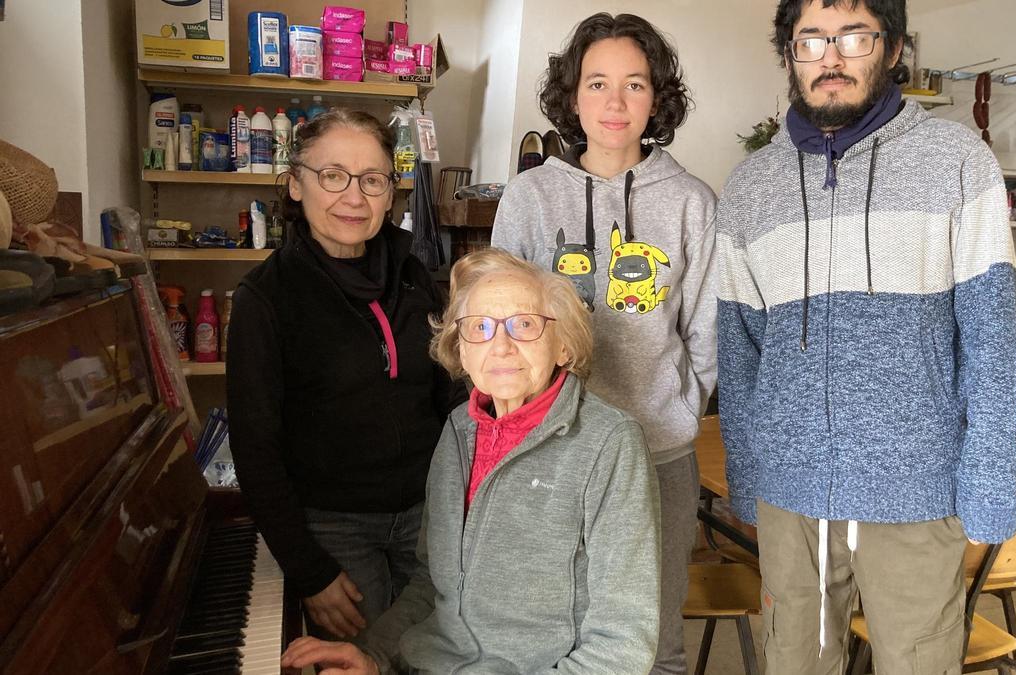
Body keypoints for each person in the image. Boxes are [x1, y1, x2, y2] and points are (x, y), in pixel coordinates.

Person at [716, 0, 1016, 672]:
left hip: (914, 486)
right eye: (811, 40)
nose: (831, 56)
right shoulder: (749, 189)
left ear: (890, 48)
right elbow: (738, 351)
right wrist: (747, 471)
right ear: (789, 52)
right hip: (791, 493)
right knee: (795, 661)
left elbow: (994, 337)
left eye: (853, 35)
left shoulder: (957, 163)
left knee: (918, 661)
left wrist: (991, 479)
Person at [280, 247, 662, 674]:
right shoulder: (460, 429)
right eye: (479, 327)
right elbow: (432, 585)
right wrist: (374, 655)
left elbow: (622, 644)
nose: (500, 346)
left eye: (524, 325)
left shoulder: (609, 443)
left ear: (564, 347)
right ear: (461, 350)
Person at [490, 13, 717, 673]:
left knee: (655, 640)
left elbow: (707, 333)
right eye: (596, 84)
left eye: (634, 85)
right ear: (572, 95)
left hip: (660, 455)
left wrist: (678, 407)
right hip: (551, 452)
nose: (615, 104)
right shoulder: (530, 199)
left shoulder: (692, 203)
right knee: (551, 629)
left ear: (658, 97)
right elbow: (500, 326)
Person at [226, 109, 460, 642]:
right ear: (295, 183)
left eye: (373, 180)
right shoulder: (265, 299)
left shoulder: (413, 273)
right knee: (367, 653)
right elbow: (255, 447)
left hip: (429, 512)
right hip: (335, 526)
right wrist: (309, 569)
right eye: (333, 175)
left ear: (390, 192)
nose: (354, 197)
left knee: (435, 652)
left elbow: (451, 390)